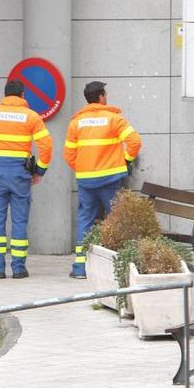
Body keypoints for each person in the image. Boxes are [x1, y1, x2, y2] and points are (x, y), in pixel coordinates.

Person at [0, 80, 53, 279]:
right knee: (20, 220)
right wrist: (39, 171)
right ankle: (19, 268)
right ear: (23, 95)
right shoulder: (31, 116)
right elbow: (46, 146)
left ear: (5, 95)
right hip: (20, 174)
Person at [64, 81, 142, 279]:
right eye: (105, 94)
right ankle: (116, 267)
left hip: (86, 180)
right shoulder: (114, 119)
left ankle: (80, 268)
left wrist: (83, 168)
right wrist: (125, 160)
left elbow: (69, 154)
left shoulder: (76, 123)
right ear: (101, 96)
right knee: (115, 220)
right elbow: (135, 142)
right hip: (110, 179)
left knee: (85, 220)